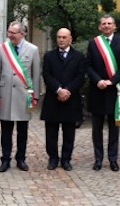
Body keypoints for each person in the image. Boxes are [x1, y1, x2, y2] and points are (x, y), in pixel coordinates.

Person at [0, 21, 40, 172]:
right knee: (6, 130)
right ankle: (5, 159)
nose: (10, 35)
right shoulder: (2, 49)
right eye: (9, 32)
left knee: (23, 130)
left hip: (24, 95)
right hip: (5, 94)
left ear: (22, 34)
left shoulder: (33, 49)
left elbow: (36, 74)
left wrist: (36, 96)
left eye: (13, 33)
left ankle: (21, 158)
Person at [86, 14, 120, 172]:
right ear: (100, 27)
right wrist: (98, 80)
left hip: (115, 90)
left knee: (114, 128)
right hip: (98, 89)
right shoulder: (93, 43)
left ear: (115, 27)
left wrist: (112, 80)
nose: (106, 26)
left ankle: (113, 159)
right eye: (103, 23)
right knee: (96, 129)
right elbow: (88, 65)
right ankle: (98, 159)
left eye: (109, 23)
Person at [40, 28, 86, 171]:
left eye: (64, 37)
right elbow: (46, 75)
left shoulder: (78, 56)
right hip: (53, 98)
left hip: (71, 99)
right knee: (51, 132)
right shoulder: (49, 56)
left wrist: (68, 90)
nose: (61, 40)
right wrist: (59, 90)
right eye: (59, 37)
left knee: (69, 132)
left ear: (70, 39)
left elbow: (80, 76)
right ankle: (53, 158)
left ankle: (66, 159)